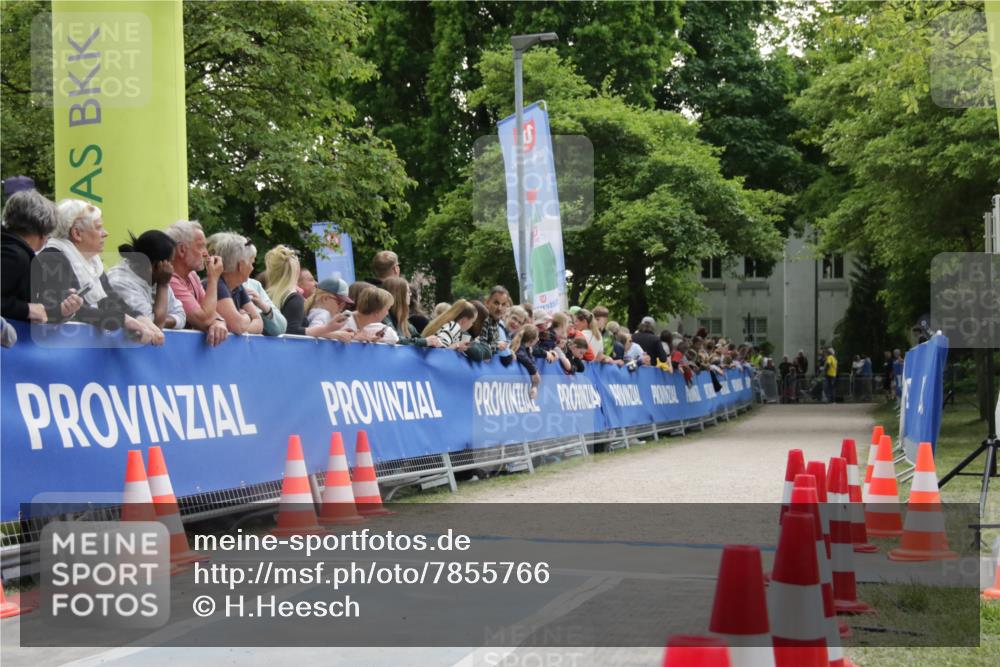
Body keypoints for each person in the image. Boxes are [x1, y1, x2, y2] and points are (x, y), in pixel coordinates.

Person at [33, 200, 159, 343]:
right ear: (77, 233)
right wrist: (123, 319)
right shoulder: (52, 259)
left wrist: (139, 317)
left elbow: (110, 300)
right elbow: (70, 311)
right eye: (98, 227)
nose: (105, 233)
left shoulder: (93, 262)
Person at [2, 189, 81, 323]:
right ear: (43, 229)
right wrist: (27, 309)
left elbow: (33, 311)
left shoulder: (14, 251)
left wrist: (60, 310)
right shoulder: (15, 255)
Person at [165, 219, 228, 346]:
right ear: (182, 250)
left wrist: (219, 322)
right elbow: (204, 319)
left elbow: (211, 313)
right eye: (200, 246)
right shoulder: (169, 279)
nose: (206, 253)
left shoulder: (192, 276)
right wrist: (213, 279)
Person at [107, 230, 186, 330]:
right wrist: (163, 285)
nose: (172, 269)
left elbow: (181, 315)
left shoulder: (158, 277)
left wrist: (161, 319)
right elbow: (152, 325)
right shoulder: (120, 282)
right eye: (170, 262)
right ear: (155, 265)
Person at [205, 232, 263, 335]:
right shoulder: (216, 284)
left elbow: (259, 324)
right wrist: (248, 317)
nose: (252, 268)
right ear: (241, 265)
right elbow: (237, 325)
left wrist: (242, 325)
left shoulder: (238, 287)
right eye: (251, 262)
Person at [381, 276, 441, 347]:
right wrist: (425, 342)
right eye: (408, 292)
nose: (410, 295)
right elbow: (395, 340)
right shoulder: (384, 316)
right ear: (399, 295)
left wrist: (433, 342)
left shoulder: (405, 323)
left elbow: (419, 338)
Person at [264, 244, 308, 336]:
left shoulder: (263, 295)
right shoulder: (294, 298)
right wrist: (326, 331)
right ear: (297, 270)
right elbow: (292, 331)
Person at [509, 323, 541, 400]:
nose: (538, 339)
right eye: (537, 337)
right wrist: (534, 372)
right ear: (531, 340)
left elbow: (536, 376)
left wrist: (534, 387)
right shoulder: (519, 349)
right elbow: (536, 376)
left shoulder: (527, 350)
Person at [477, 286, 510, 356]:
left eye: (503, 304)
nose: (499, 308)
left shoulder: (496, 321)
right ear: (487, 302)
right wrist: (497, 345)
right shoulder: (482, 319)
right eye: (496, 303)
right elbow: (480, 345)